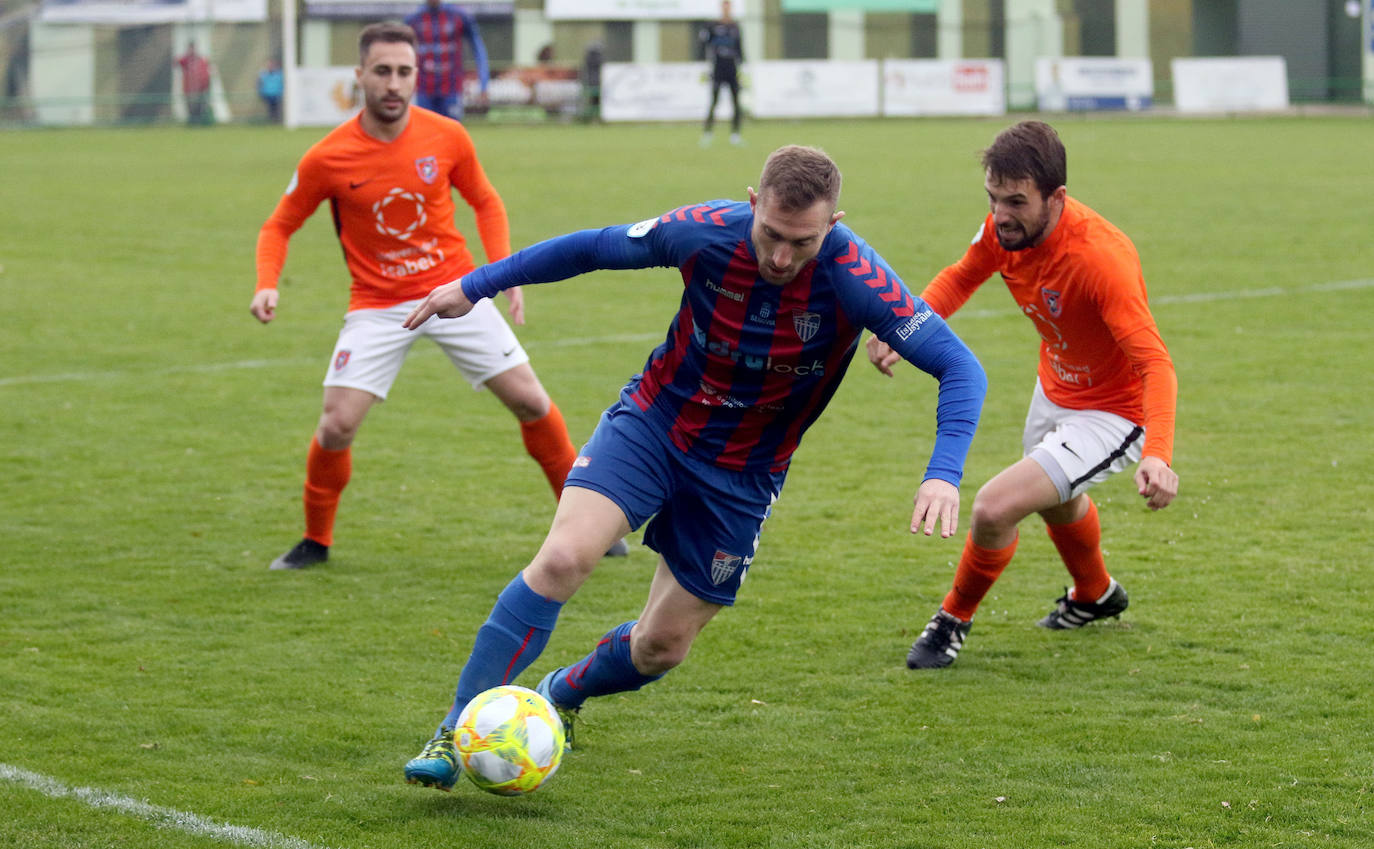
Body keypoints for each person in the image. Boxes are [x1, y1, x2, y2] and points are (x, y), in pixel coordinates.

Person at [399, 144, 988, 791]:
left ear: (834, 223)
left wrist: (943, 471)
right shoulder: (704, 232)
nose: (781, 257)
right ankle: (453, 731)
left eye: (802, 241)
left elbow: (960, 366)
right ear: (752, 203)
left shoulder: (856, 277)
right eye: (771, 233)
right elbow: (593, 247)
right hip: (654, 425)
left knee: (661, 647)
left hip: (744, 475)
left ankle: (561, 692)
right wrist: (474, 285)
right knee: (563, 558)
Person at [251, 22, 626, 571]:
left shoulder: (447, 136)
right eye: (382, 71)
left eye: (404, 72)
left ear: (416, 76)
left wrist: (504, 273)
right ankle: (315, 540)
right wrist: (267, 282)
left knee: (531, 401)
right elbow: (278, 225)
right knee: (336, 424)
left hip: (455, 293)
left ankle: (588, 526)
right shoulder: (327, 157)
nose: (393, 83)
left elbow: (486, 201)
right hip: (378, 305)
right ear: (360, 75)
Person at [866, 120, 1179, 669]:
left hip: (1113, 412)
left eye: (1016, 201)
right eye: (993, 198)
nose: (1000, 214)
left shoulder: (1101, 259)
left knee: (994, 508)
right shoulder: (1002, 231)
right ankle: (1095, 595)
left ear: (1057, 198)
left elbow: (1155, 363)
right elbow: (962, 276)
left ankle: (950, 621)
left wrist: (1158, 453)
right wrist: (906, 326)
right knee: (1056, 500)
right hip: (1054, 388)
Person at [405, 0, 489, 121]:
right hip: (424, 89)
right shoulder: (413, 19)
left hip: (452, 88)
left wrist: (484, 83)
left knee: (451, 129)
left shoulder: (459, 16)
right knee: (425, 130)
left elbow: (478, 49)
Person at [699, 0, 744, 146]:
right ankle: (708, 134)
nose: (726, 9)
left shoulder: (735, 26)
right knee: (714, 101)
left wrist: (742, 68)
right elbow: (704, 45)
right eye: (724, 7)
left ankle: (735, 135)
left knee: (736, 102)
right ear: (721, 8)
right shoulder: (712, 26)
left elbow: (740, 49)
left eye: (728, 7)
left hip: (732, 69)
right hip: (718, 68)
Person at [176, 42, 212, 125]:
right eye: (190, 48)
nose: (192, 50)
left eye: (193, 48)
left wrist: (205, 85)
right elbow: (177, 61)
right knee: (190, 107)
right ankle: (192, 122)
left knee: (200, 106)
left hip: (200, 89)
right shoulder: (186, 60)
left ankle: (199, 122)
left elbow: (205, 72)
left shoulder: (200, 60)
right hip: (189, 89)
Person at [257, 59, 283, 123]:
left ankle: (276, 120)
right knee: (270, 109)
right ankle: (271, 120)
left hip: (276, 95)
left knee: (276, 109)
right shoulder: (263, 74)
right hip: (267, 95)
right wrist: (261, 92)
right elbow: (259, 83)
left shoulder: (279, 74)